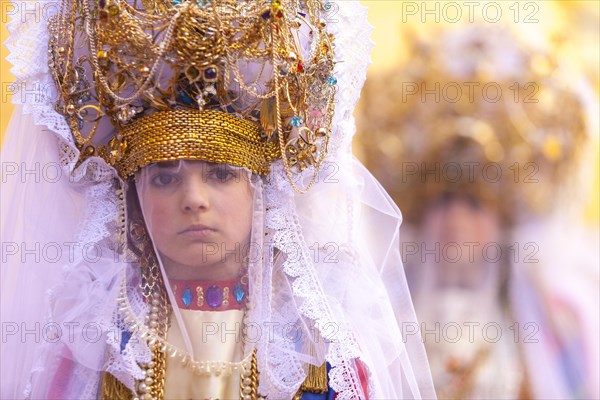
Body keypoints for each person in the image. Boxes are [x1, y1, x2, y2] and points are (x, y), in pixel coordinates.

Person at [0, 1, 435, 399]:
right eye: (164, 179)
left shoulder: (309, 349)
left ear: (263, 194)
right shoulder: (99, 342)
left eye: (222, 174)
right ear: (131, 195)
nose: (194, 199)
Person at [357, 23, 599, 399]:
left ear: (505, 223)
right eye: (443, 201)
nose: (456, 222)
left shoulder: (551, 329)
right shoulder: (376, 324)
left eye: (474, 204)